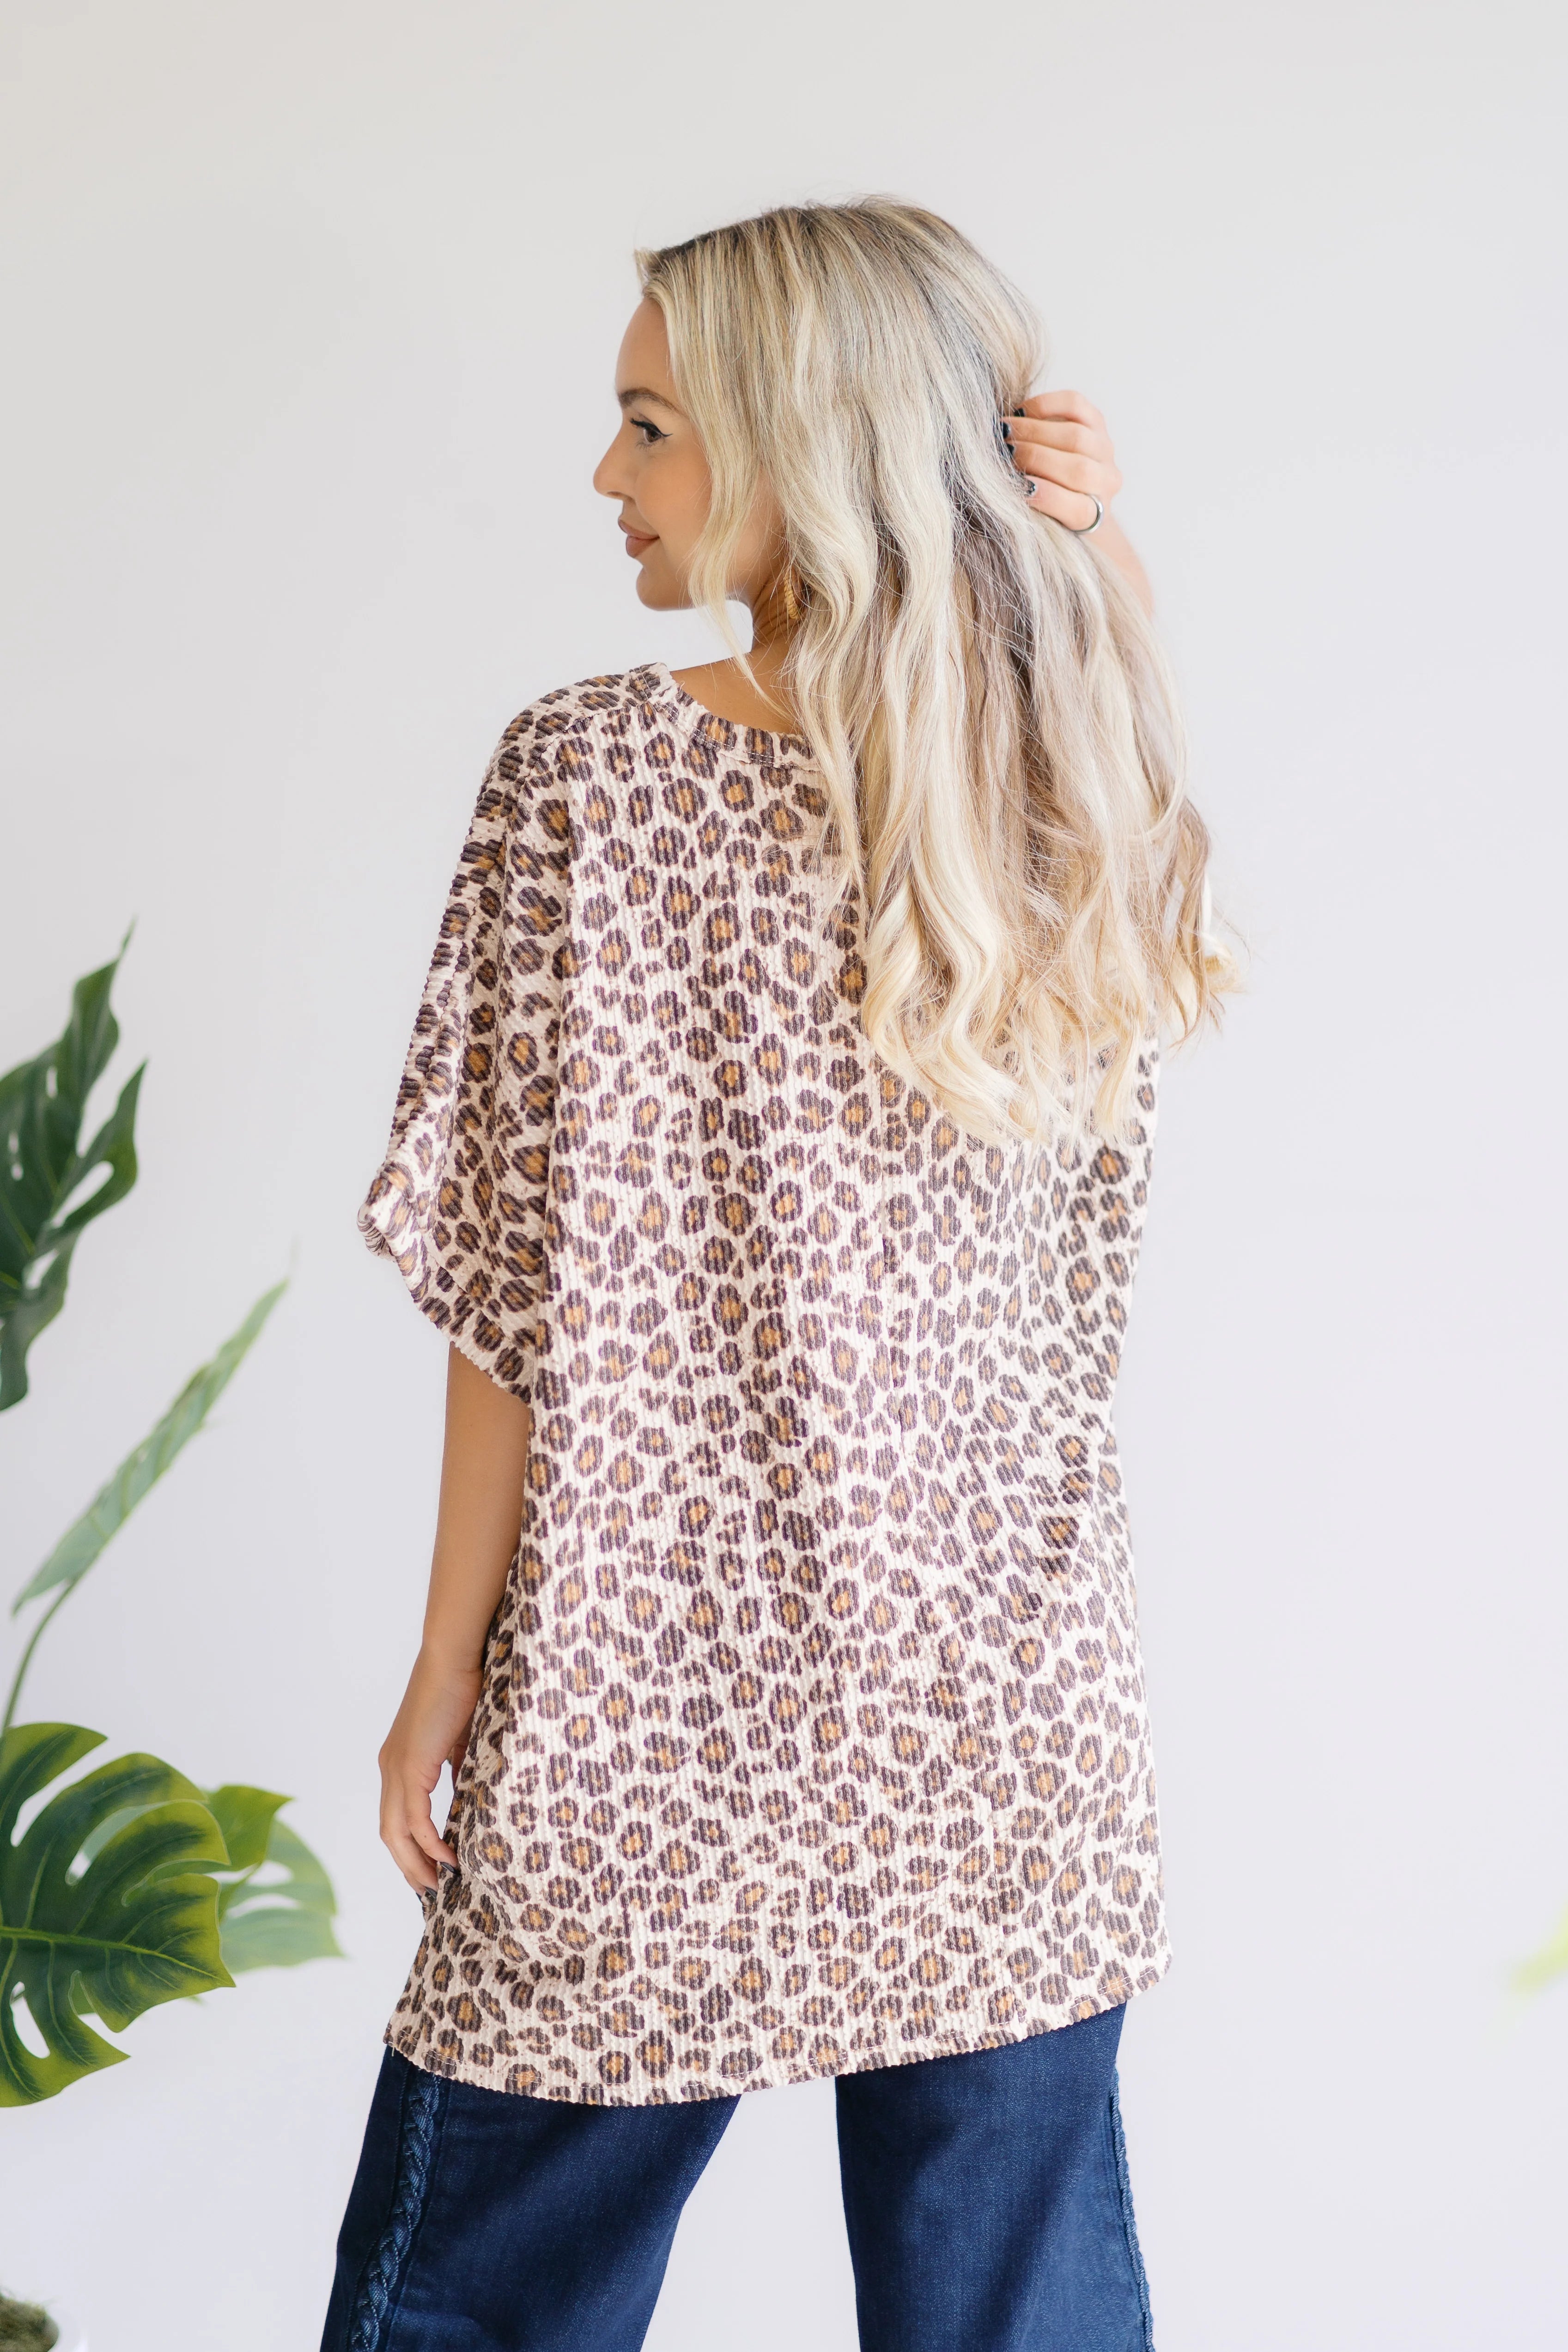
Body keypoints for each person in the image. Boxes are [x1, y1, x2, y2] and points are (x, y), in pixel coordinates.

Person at [322, 198, 1228, 2352]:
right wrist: (1096, 575)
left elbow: (515, 1294)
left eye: (648, 424)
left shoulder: (591, 778)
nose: (608, 480)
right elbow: (1108, 725)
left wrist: (453, 1668)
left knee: (471, 2307)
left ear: (798, 444)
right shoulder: (1048, 792)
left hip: (647, 1723)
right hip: (1001, 1732)